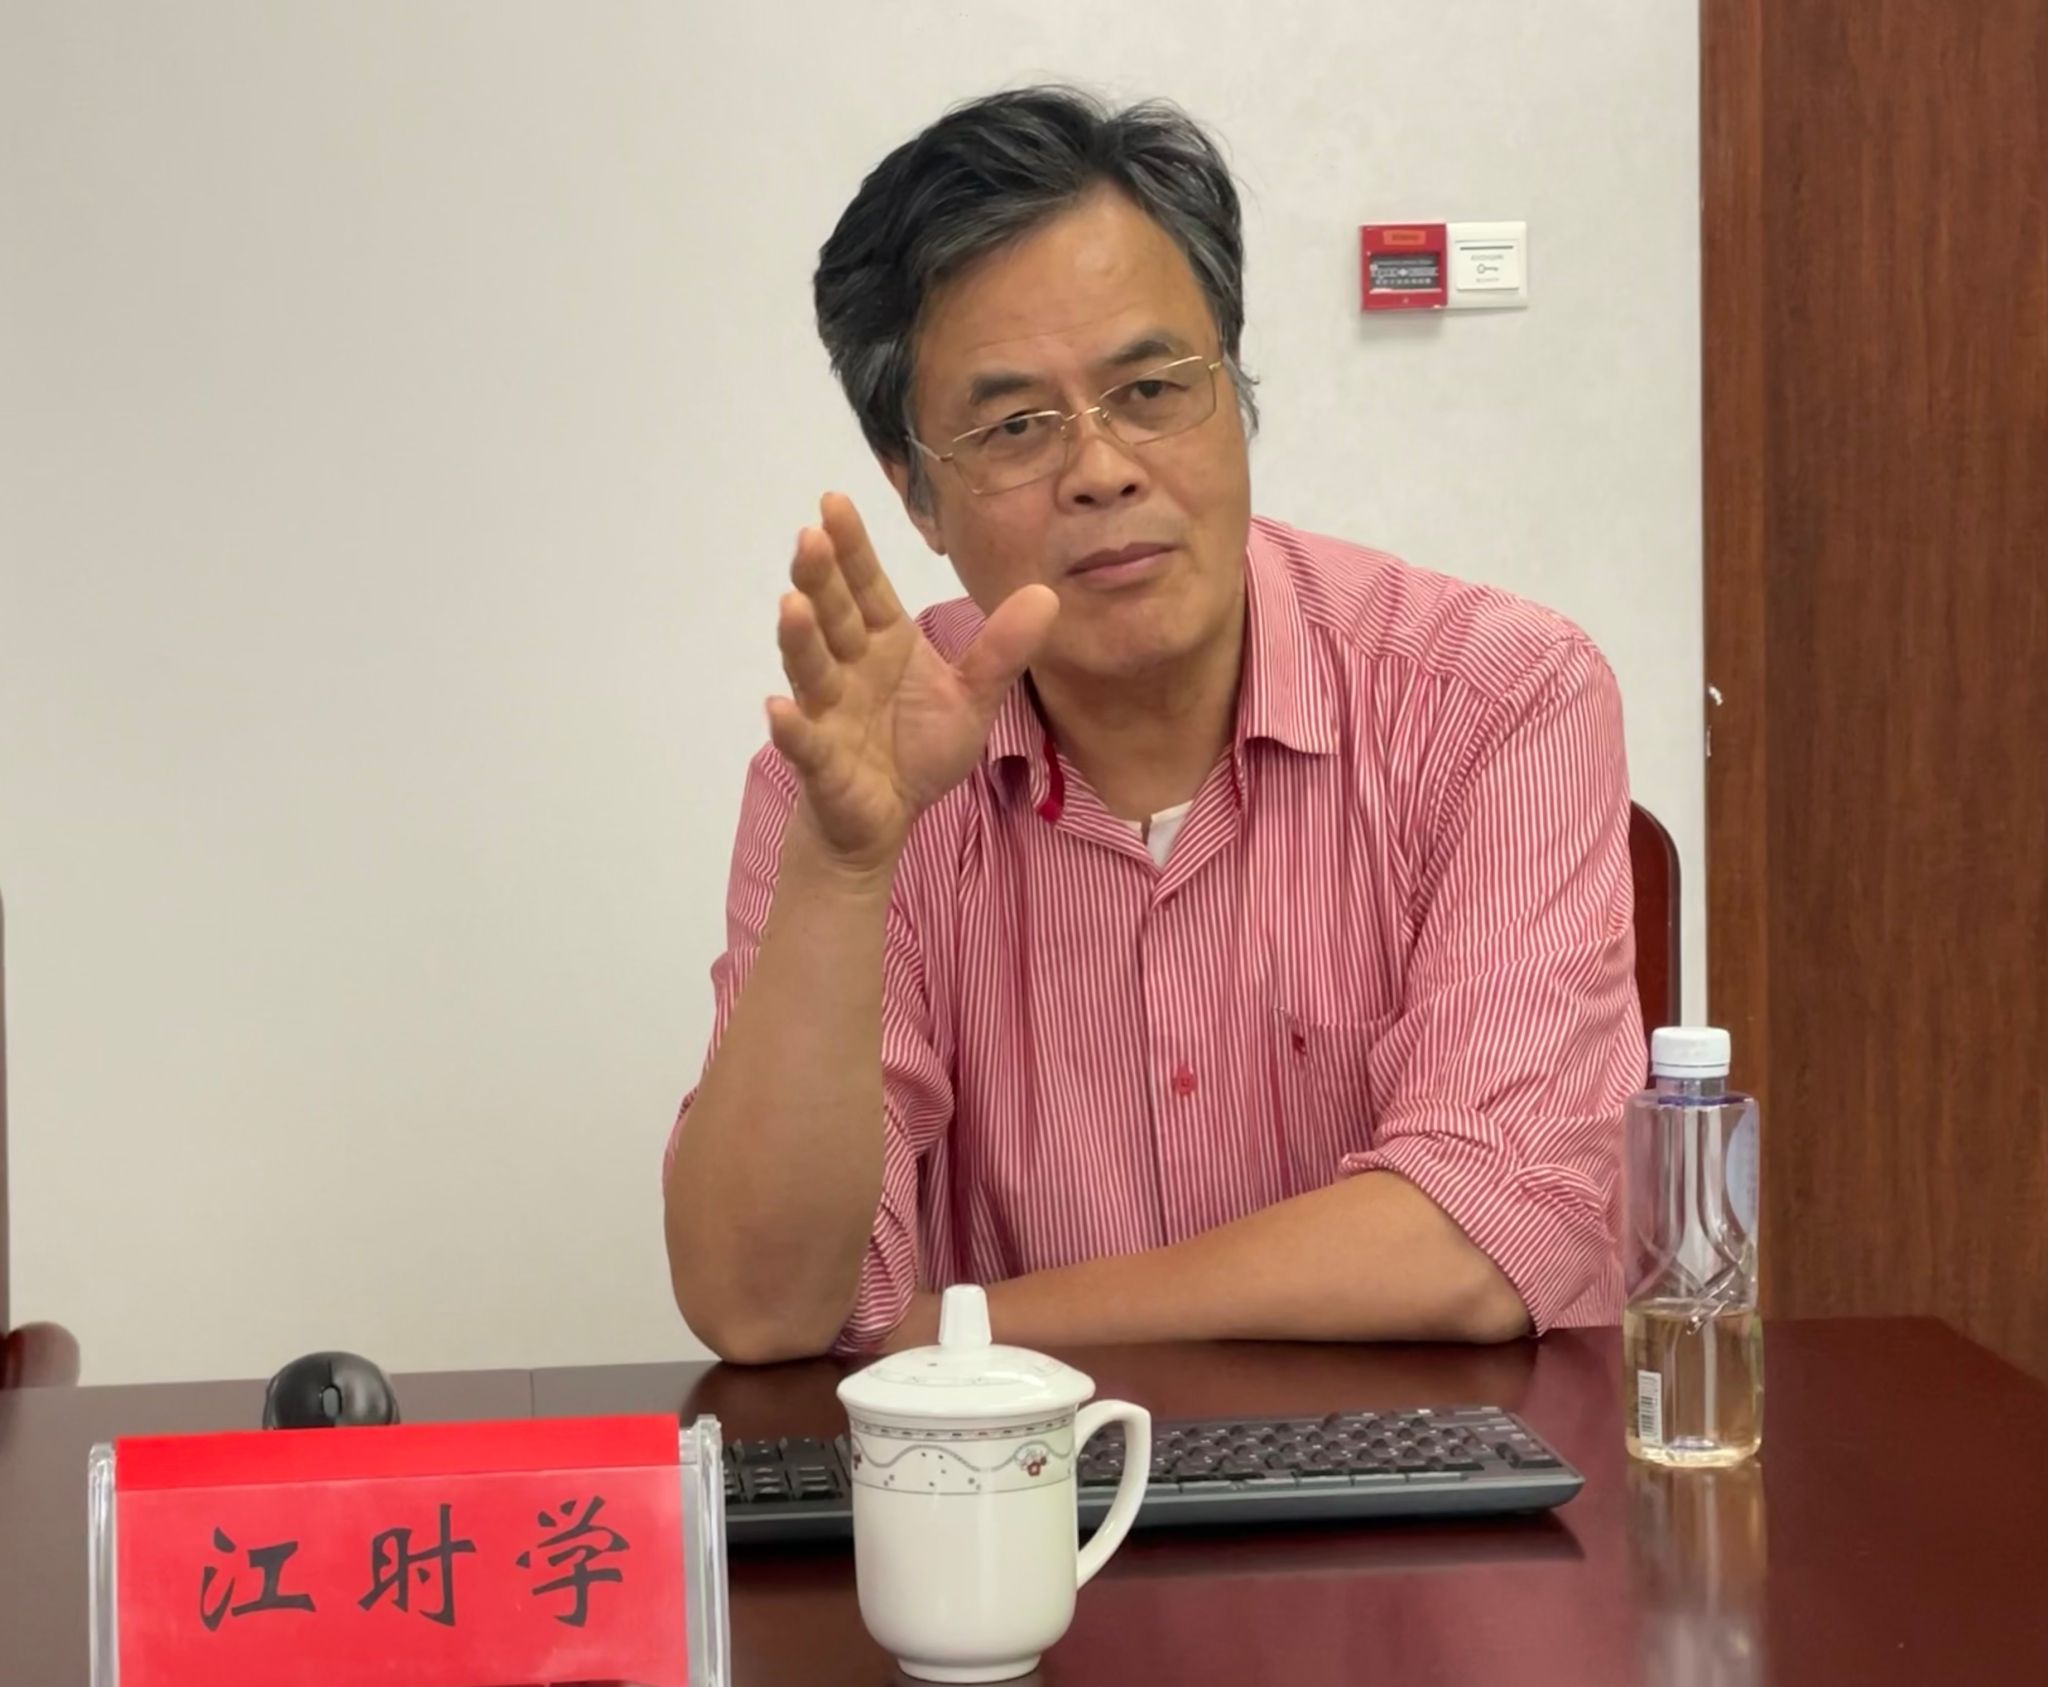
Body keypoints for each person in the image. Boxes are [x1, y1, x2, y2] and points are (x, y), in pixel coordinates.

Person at [662, 86, 1644, 1364]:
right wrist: (847, 867)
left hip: (1425, 1476)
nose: (1101, 469)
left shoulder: (1495, 698)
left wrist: (959, 1334)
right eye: (1014, 426)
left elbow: (1481, 1237)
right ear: (915, 494)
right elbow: (760, 1307)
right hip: (1013, 1486)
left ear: (1233, 390)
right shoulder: (855, 770)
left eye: (1149, 388)